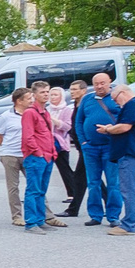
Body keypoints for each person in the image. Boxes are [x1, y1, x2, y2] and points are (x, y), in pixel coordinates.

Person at [96, 81, 135, 234]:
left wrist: (108, 130)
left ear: (123, 93)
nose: (115, 103)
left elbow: (125, 127)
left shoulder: (132, 105)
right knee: (134, 189)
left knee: (128, 190)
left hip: (129, 153)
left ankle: (128, 225)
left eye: (115, 99)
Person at [74, 70, 120, 227]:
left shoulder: (115, 98)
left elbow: (124, 120)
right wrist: (83, 142)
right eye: (96, 84)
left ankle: (113, 216)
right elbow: (79, 122)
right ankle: (95, 215)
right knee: (93, 183)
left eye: (102, 83)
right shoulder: (87, 99)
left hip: (110, 147)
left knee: (113, 183)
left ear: (109, 82)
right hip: (91, 148)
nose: (99, 86)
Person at [19, 81, 58, 232]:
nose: (46, 95)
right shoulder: (30, 112)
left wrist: (52, 152)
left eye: (47, 91)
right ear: (34, 95)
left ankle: (40, 220)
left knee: (41, 190)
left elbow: (48, 134)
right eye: (42, 92)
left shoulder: (45, 112)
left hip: (47, 156)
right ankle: (31, 222)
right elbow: (28, 137)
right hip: (36, 157)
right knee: (33, 190)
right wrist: (38, 152)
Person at [48, 79, 85, 220]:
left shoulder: (68, 109)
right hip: (51, 144)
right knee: (83, 177)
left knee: (73, 173)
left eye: (55, 95)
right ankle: (73, 206)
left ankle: (73, 200)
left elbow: (69, 126)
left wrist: (55, 122)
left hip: (62, 144)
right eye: (51, 95)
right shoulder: (49, 109)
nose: (53, 97)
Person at [0, 88, 27, 227]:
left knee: (35, 184)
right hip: (10, 155)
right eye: (28, 98)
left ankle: (46, 215)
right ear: (19, 101)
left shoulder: (31, 114)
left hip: (28, 154)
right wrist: (8, 148)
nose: (31, 100)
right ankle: (17, 216)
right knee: (13, 187)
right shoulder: (5, 117)